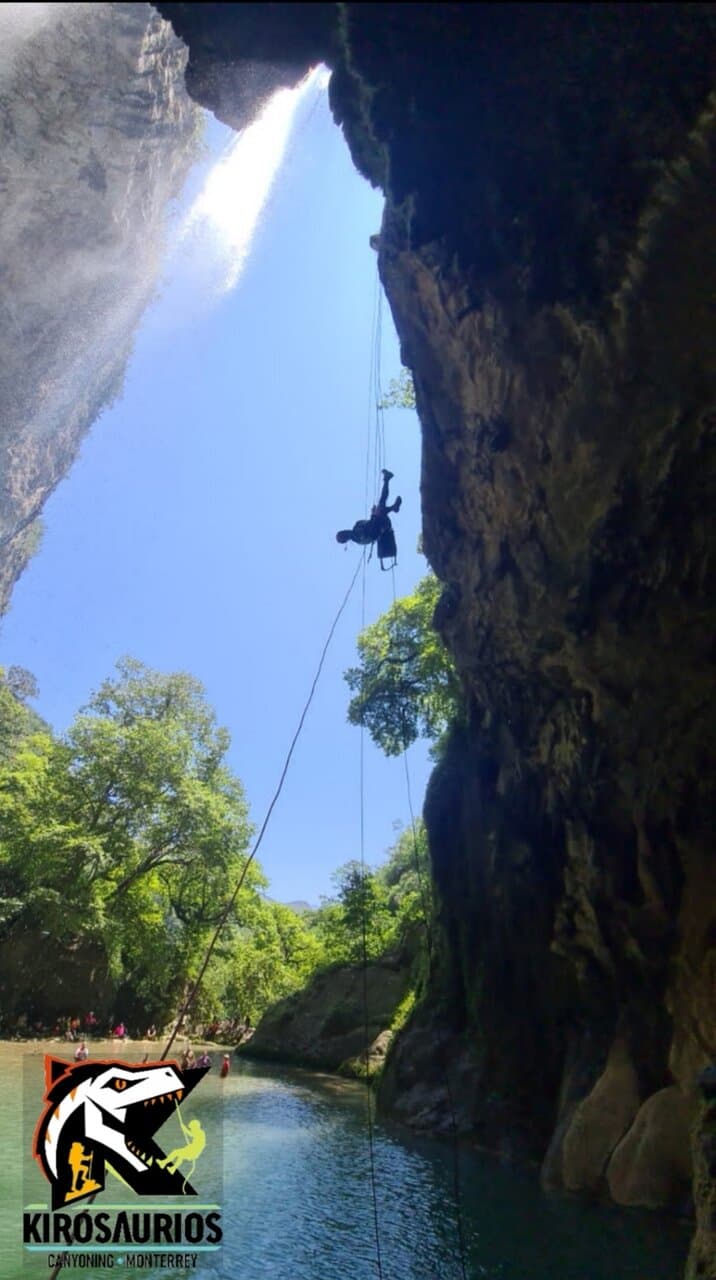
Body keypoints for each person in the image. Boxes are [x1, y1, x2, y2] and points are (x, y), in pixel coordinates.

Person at [336, 470, 402, 569]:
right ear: (346, 539)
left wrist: (373, 514)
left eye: (342, 532)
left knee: (382, 506)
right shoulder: (356, 537)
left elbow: (369, 525)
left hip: (382, 523)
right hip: (383, 528)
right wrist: (374, 516)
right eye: (343, 535)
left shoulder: (357, 526)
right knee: (382, 503)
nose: (345, 532)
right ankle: (387, 481)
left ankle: (393, 506)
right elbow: (371, 534)